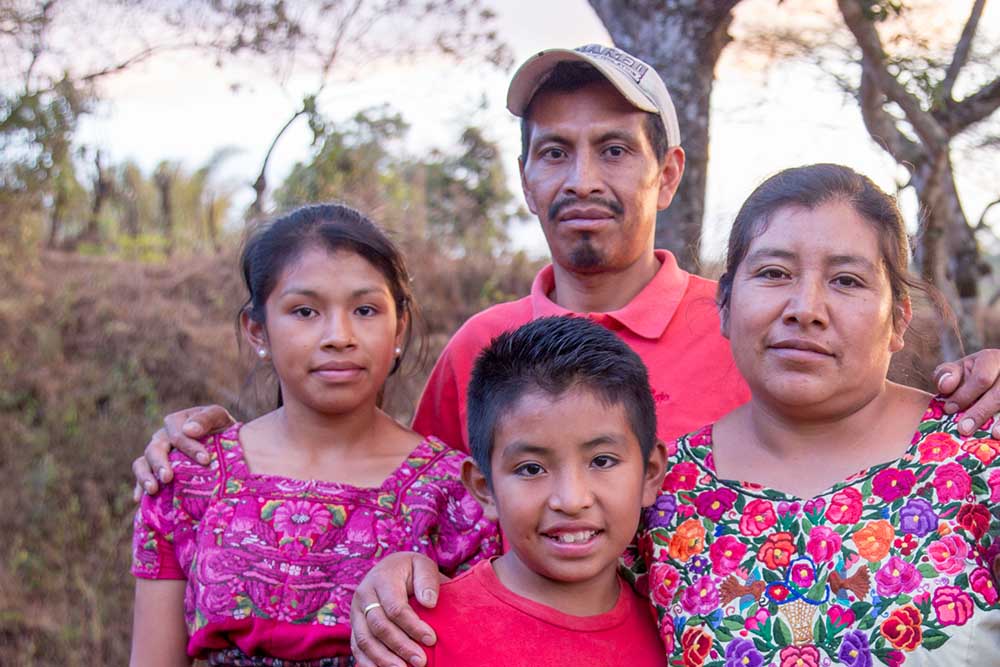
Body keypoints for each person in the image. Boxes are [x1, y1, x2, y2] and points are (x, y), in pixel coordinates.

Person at [635, 164, 1000, 665]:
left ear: (898, 319)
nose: (805, 308)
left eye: (846, 280)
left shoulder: (980, 463)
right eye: (773, 273)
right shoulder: (659, 494)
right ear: (723, 303)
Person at [129, 203, 499, 667]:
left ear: (398, 326)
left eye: (365, 309)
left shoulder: (457, 496)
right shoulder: (189, 478)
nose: (338, 335)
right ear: (257, 330)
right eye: (305, 311)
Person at [412, 315, 668, 666]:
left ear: (650, 474)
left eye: (602, 461)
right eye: (531, 469)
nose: (572, 500)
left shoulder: (675, 629)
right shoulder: (417, 637)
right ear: (485, 489)